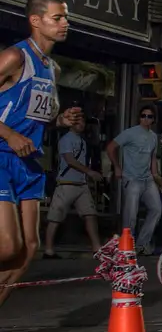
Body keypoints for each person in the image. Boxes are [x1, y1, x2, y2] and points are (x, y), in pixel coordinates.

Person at [0, 0, 68, 332]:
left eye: (65, 18)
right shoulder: (15, 57)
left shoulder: (52, 68)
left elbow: (33, 115)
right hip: (0, 155)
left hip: (30, 163)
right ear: (35, 21)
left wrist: (60, 120)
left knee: (27, 252)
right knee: (7, 246)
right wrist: (9, 134)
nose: (64, 24)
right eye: (57, 18)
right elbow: (11, 125)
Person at [42, 106, 101, 257]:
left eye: (82, 122)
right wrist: (89, 172)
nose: (81, 125)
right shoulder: (66, 139)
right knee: (56, 217)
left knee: (90, 214)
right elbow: (69, 160)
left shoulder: (82, 141)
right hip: (67, 183)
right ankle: (48, 249)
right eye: (78, 122)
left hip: (80, 184)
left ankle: (97, 248)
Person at [108, 104, 162, 256]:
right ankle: (127, 246)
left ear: (153, 119)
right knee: (130, 215)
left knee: (156, 209)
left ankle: (142, 244)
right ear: (139, 117)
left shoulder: (153, 136)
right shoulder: (130, 133)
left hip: (147, 179)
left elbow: (152, 157)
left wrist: (156, 175)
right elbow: (111, 147)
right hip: (132, 179)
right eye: (143, 116)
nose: (146, 119)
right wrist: (117, 167)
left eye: (149, 116)